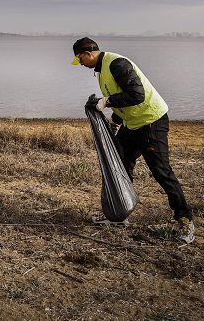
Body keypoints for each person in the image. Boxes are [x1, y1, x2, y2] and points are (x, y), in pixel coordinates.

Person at [72, 37, 195, 244]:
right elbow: (120, 95)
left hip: (151, 123)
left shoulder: (117, 64)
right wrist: (115, 121)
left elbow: (137, 95)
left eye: (80, 60)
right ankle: (120, 214)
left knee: (162, 172)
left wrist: (107, 102)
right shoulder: (102, 70)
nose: (81, 64)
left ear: (88, 53)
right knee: (119, 165)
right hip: (132, 124)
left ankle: (185, 220)